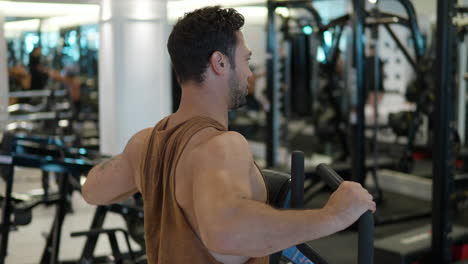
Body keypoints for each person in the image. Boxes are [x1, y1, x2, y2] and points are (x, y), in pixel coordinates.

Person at [82, 6, 376, 264]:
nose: (250, 73)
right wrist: (334, 215)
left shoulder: (145, 143)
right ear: (220, 63)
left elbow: (93, 189)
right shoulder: (222, 145)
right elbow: (228, 233)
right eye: (246, 60)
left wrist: (148, 178)